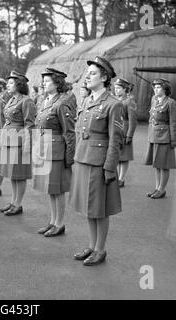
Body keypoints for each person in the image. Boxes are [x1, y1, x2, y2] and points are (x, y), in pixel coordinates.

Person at [69, 56, 124, 266]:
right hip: (83, 160)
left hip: (99, 164)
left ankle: (101, 249)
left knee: (99, 209)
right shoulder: (87, 100)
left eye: (92, 73)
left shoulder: (113, 104)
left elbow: (115, 140)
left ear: (104, 77)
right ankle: (91, 246)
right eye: (88, 73)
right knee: (88, 207)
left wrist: (110, 168)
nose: (87, 76)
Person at [33, 68, 76, 237]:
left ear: (57, 83)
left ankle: (59, 223)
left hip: (57, 151)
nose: (44, 83)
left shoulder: (62, 102)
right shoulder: (45, 100)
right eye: (43, 80)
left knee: (58, 190)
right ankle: (52, 221)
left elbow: (69, 132)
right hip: (45, 149)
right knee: (50, 189)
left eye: (47, 81)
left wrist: (69, 158)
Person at [0, 70, 36, 216]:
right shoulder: (12, 99)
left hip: (20, 142)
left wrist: (27, 145)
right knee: (13, 175)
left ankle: (18, 204)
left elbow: (29, 125)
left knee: (19, 175)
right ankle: (13, 201)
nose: (8, 85)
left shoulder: (27, 101)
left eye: (11, 82)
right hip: (9, 141)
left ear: (19, 84)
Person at [144, 78, 176, 199]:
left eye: (158, 87)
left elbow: (173, 122)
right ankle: (157, 188)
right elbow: (151, 119)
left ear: (165, 89)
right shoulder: (154, 99)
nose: (155, 89)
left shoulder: (170, 103)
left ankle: (162, 189)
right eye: (154, 87)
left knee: (164, 165)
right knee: (156, 164)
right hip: (154, 135)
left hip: (164, 137)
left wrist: (173, 140)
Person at [114, 78, 137, 187]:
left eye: (118, 88)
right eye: (115, 88)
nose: (116, 90)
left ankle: (121, 178)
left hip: (124, 131)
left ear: (124, 89)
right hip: (115, 131)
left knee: (124, 157)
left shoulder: (129, 101)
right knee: (118, 156)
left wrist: (129, 135)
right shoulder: (115, 99)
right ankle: (118, 176)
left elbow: (132, 120)